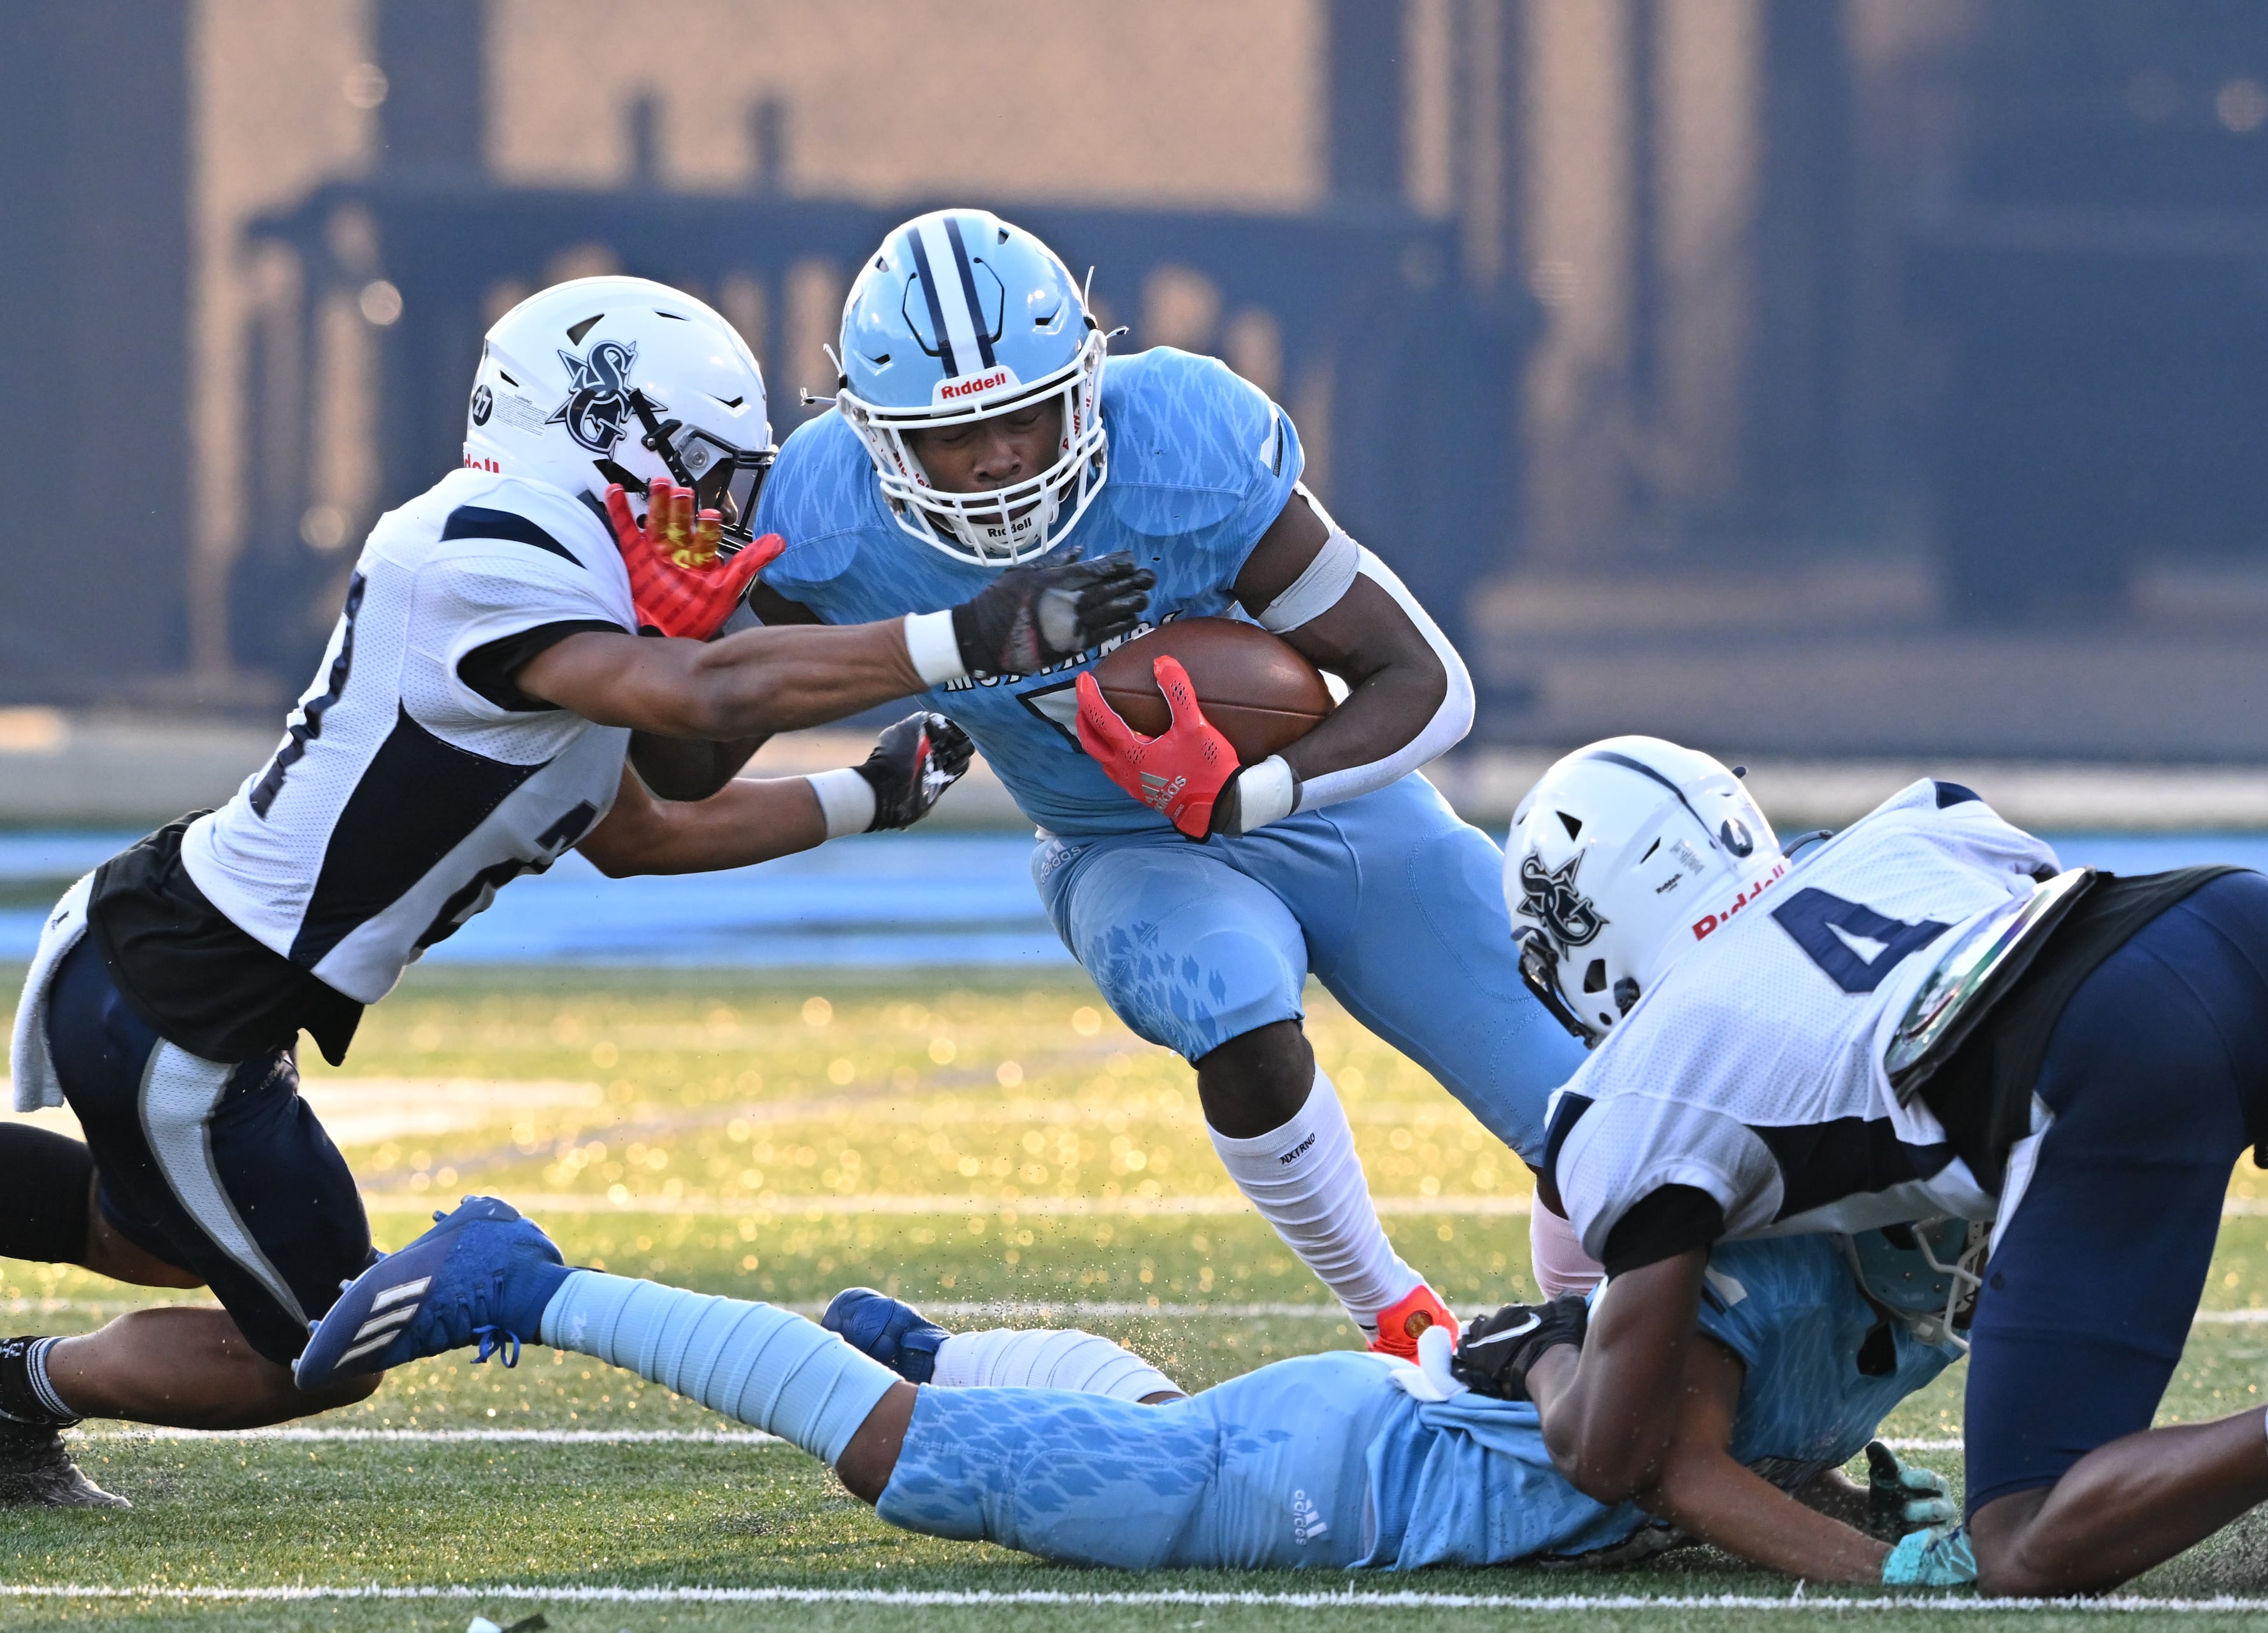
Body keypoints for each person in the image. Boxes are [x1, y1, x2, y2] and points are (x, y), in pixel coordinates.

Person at [0, 275, 1152, 1506]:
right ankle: (19, 1388)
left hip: (187, 977)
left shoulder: (575, 612)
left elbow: (650, 824)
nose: (720, 510)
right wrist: (962, 637)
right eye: (708, 472)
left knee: (155, 1238)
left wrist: (870, 793)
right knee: (326, 1348)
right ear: (604, 431)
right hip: (189, 1003)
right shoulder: (484, 541)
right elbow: (704, 705)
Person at [745, 208, 1598, 1356]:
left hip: (1325, 803)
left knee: (1595, 1120)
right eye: (956, 437)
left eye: (1024, 416)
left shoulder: (1181, 445)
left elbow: (1426, 683)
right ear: (878, 439)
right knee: (1234, 999)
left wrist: (1252, 791)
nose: (997, 457)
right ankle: (1393, 1312)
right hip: (1115, 841)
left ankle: (1620, 1325)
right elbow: (701, 740)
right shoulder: (823, 522)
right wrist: (681, 630)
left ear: (1088, 385)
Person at [1482, 734, 2268, 1612]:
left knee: (2021, 1542)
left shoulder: (1629, 1100)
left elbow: (1613, 1453)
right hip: (2241, 920)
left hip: (2108, 1058)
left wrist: (1547, 1352)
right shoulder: (1910, 822)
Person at [290, 1194, 1978, 1583]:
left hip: (1335, 1445)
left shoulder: (1847, 1282)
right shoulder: (1766, 1275)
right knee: (913, 1467)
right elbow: (1660, 1454)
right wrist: (1896, 1568)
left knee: (1154, 1429)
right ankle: (533, 1278)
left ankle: (945, 1353)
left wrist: (1854, 1504)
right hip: (1335, 1485)